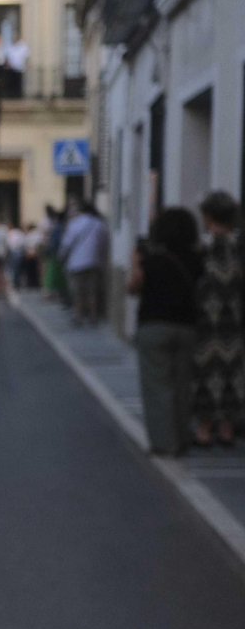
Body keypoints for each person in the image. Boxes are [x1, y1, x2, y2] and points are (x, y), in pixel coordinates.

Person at [128, 208, 205, 456]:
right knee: (183, 385)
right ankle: (182, 437)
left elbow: (132, 287)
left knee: (157, 386)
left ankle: (165, 442)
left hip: (154, 326)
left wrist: (135, 262)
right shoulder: (198, 259)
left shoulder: (152, 258)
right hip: (187, 326)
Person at [193, 192, 244, 447]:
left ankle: (204, 430)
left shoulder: (203, 248)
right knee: (232, 375)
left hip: (205, 324)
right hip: (233, 325)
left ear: (208, 216)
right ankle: (226, 430)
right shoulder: (238, 248)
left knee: (206, 374)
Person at [61, 199, 110, 326]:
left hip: (76, 263)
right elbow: (104, 243)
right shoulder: (99, 223)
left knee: (77, 292)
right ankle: (93, 317)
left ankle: (78, 317)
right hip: (94, 262)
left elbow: (67, 243)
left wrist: (61, 256)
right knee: (92, 291)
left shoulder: (75, 224)